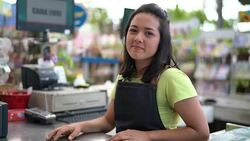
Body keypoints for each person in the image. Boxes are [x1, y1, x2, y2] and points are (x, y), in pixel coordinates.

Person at [46, 3, 210, 141]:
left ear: (162, 41)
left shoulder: (171, 77)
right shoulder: (124, 77)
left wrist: (147, 136)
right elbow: (107, 121)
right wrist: (78, 126)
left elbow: (201, 132)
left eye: (148, 33)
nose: (138, 38)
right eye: (133, 30)